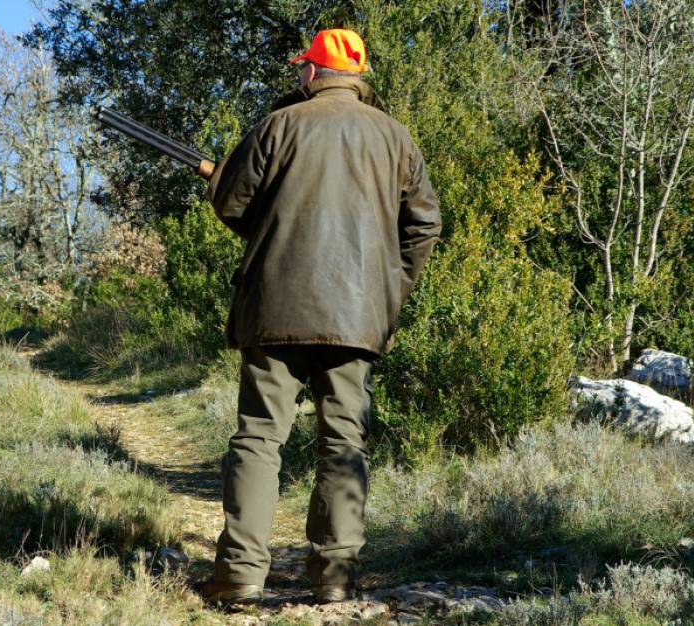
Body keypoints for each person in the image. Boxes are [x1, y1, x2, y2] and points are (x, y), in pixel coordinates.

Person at [198, 28, 442, 607]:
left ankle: (240, 577)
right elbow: (424, 228)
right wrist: (388, 290)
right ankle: (335, 576)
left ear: (313, 72)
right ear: (357, 76)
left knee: (259, 439)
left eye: (302, 68)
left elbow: (232, 203)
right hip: (359, 316)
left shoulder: (279, 125)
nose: (299, 75)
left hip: (274, 309)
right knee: (343, 442)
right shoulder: (396, 137)